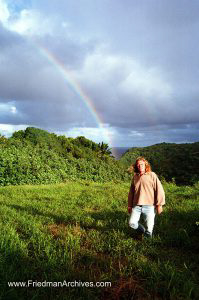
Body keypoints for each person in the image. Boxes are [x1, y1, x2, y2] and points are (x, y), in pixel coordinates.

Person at [128, 157, 165, 238]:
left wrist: (159, 205)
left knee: (149, 228)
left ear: (145, 165)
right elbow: (131, 192)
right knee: (132, 223)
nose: (139, 166)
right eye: (138, 165)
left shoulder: (152, 175)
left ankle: (148, 241)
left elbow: (159, 189)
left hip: (149, 205)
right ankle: (142, 231)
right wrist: (129, 205)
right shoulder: (135, 177)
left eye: (141, 164)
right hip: (136, 205)